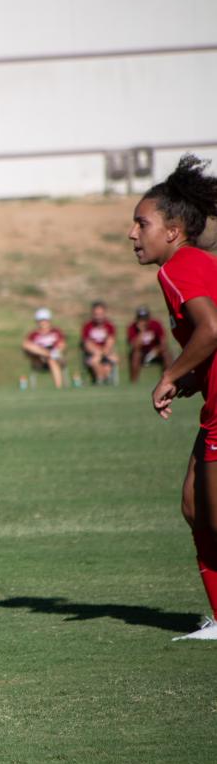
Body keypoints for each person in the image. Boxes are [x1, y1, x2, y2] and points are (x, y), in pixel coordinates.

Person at [134, 154, 217, 641]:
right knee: (193, 505)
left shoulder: (177, 267)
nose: (132, 233)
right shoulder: (196, 262)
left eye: (141, 223)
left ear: (171, 231)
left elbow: (210, 329)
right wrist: (188, 378)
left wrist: (169, 375)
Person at [22, 308, 67, 389]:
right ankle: (48, 354)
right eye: (40, 320)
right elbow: (26, 345)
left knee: (52, 360)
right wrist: (45, 353)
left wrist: (56, 353)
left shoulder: (56, 332)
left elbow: (62, 344)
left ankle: (59, 388)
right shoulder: (33, 335)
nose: (43, 322)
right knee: (28, 345)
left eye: (45, 320)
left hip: (56, 357)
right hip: (39, 359)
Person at [127, 306, 170, 382]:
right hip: (141, 354)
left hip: (155, 352)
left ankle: (167, 380)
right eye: (141, 319)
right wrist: (141, 332)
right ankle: (134, 382)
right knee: (136, 355)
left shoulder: (156, 325)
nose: (143, 321)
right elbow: (135, 347)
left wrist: (156, 350)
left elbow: (164, 343)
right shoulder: (132, 327)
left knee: (166, 354)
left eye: (145, 319)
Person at [81, 301, 119, 385]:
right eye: (96, 314)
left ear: (104, 313)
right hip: (92, 354)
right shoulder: (87, 326)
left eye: (100, 314)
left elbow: (110, 342)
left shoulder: (109, 326)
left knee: (105, 363)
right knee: (95, 360)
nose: (98, 317)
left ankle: (101, 380)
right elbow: (87, 343)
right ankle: (102, 380)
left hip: (106, 353)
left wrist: (103, 353)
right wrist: (98, 353)